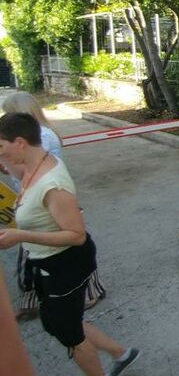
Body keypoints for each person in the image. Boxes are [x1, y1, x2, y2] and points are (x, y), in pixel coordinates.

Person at [0, 113, 139, 376]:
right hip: (46, 261)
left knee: (66, 331)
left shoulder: (53, 185)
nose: (0, 153)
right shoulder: (28, 164)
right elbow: (10, 168)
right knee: (59, 320)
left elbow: (76, 235)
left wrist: (20, 236)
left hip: (65, 264)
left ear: (19, 142)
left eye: (1, 146)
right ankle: (121, 353)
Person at [2, 92, 106, 319]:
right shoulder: (37, 137)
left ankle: (83, 294)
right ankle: (39, 299)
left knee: (72, 249)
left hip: (48, 202)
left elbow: (35, 173)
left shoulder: (42, 139)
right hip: (38, 201)